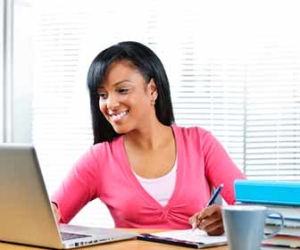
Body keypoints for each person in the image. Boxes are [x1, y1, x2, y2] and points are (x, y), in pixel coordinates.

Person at [51, 41, 246, 236]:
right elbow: (51, 218)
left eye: (122, 90)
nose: (110, 103)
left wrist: (228, 216)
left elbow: (253, 207)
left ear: (152, 89)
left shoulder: (200, 143)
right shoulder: (100, 158)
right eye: (102, 94)